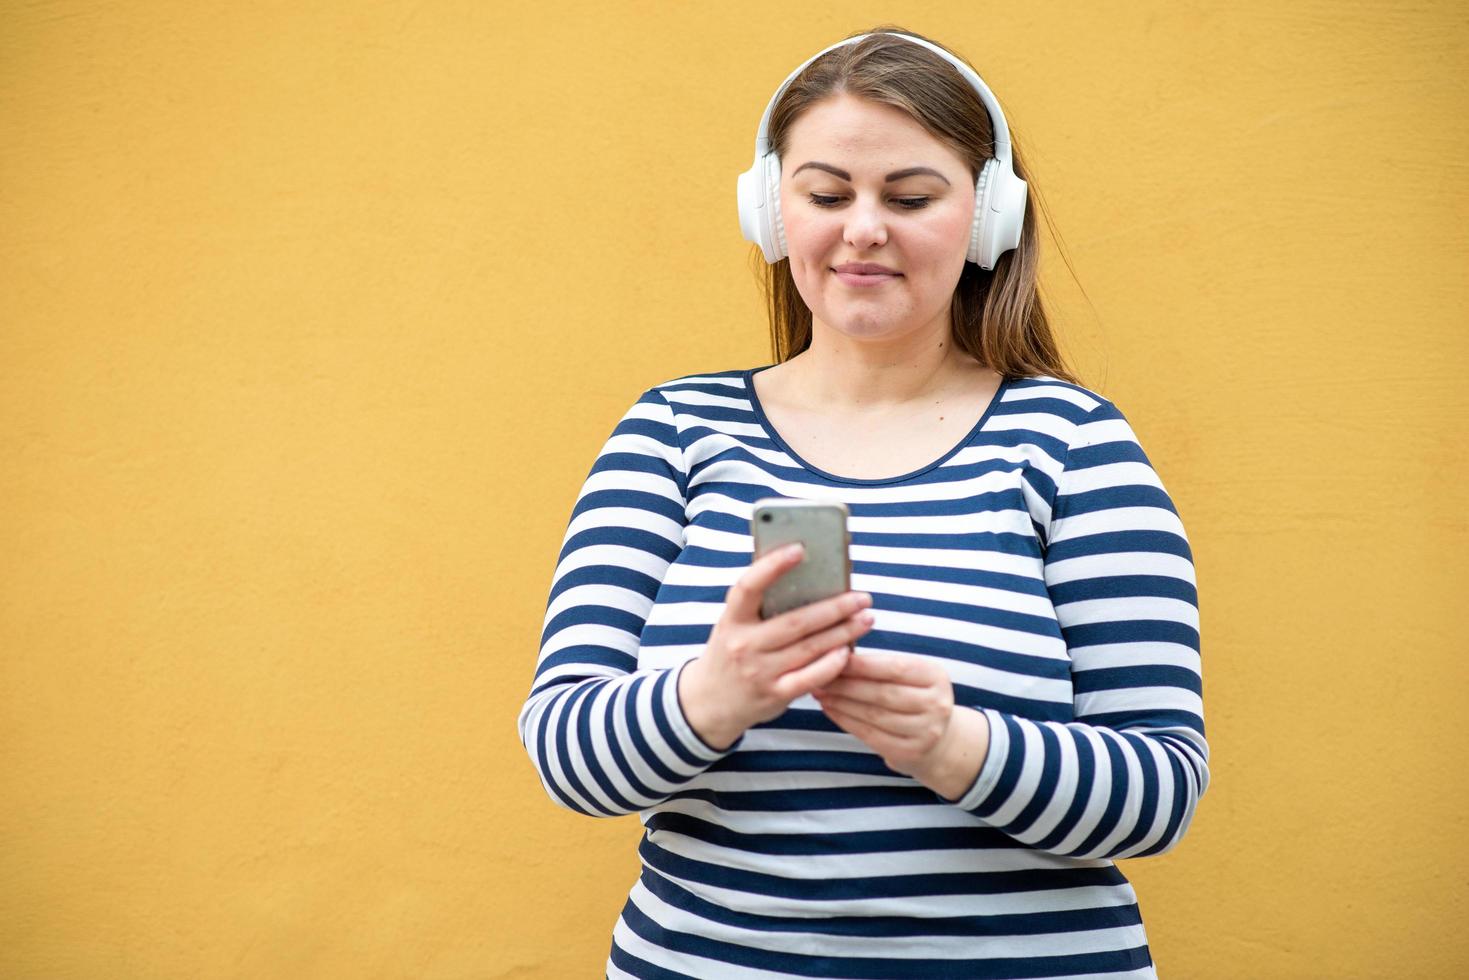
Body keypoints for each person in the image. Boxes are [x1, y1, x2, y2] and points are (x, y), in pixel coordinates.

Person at [517, 25, 1209, 980]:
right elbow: (564, 752)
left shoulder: (1073, 443)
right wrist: (713, 695)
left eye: (912, 196)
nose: (864, 228)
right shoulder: (672, 430)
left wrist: (952, 744)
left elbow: (1161, 790)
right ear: (772, 212)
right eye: (826, 193)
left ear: (986, 219)